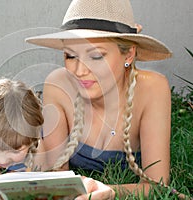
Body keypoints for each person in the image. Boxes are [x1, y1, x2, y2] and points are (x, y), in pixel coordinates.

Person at [25, 0, 173, 198]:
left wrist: (109, 192)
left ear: (128, 54)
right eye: (70, 56)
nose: (79, 70)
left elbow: (157, 184)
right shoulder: (58, 86)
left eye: (95, 56)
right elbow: (57, 178)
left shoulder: (152, 89)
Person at [0, 78, 115, 199]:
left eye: (14, 150)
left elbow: (39, 185)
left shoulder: (37, 148)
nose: (1, 159)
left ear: (32, 139)